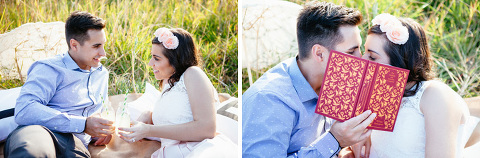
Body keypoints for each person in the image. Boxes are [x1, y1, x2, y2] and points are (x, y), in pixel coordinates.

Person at [242, 2, 377, 157]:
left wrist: (349, 144)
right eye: (351, 51)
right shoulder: (269, 100)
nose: (362, 59)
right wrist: (335, 141)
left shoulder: (337, 80)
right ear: (319, 54)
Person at [347, 13, 470, 157]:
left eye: (372, 57)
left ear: (401, 60)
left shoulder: (435, 94)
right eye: (364, 52)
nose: (362, 60)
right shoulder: (378, 96)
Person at [4, 11, 114, 157]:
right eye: (96, 46)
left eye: (103, 45)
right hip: (39, 131)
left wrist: (99, 131)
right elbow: (25, 109)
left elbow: (100, 110)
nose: (103, 53)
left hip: (76, 142)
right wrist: (83, 124)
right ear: (74, 45)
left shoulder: (101, 73)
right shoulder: (49, 68)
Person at [117, 28, 236, 157]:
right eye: (152, 57)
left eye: (156, 58)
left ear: (175, 60)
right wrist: (149, 115)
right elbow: (177, 113)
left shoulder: (193, 74)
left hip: (200, 150)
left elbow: (207, 129)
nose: (150, 63)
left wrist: (148, 130)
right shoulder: (169, 82)